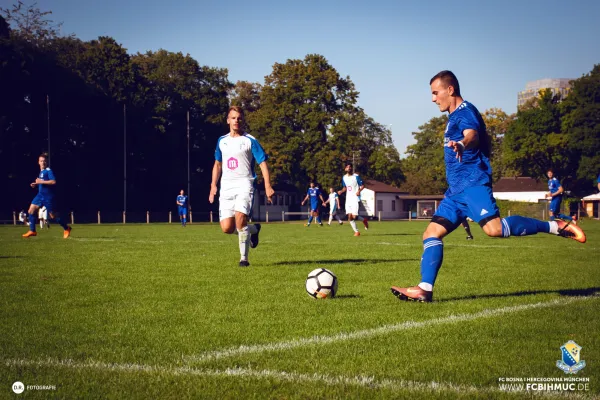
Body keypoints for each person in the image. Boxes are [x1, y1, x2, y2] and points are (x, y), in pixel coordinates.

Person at [391, 70, 586, 303]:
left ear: (450, 90)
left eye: (435, 93)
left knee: (494, 230)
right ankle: (424, 288)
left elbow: (471, 134)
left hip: (473, 185)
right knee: (431, 233)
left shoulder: (465, 112)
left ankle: (556, 226)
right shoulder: (453, 117)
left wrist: (463, 144)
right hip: (455, 192)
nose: (433, 99)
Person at [209, 106, 274, 267]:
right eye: (233, 118)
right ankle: (254, 229)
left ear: (242, 120)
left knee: (240, 220)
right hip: (226, 187)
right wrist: (213, 186)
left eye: (239, 118)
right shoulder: (221, 141)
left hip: (245, 184)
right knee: (227, 228)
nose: (236, 120)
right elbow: (217, 164)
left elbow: (262, 163)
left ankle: (243, 259)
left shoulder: (250, 140)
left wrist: (268, 185)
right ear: (228, 120)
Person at [22, 153, 72, 238]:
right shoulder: (41, 172)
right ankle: (32, 230)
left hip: (48, 197)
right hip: (40, 196)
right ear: (38, 162)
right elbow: (42, 183)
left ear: (47, 162)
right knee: (31, 210)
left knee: (53, 216)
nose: (43, 163)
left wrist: (40, 182)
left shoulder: (49, 171)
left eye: (44, 161)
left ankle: (66, 228)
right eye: (41, 161)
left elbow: (53, 181)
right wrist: (35, 184)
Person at [338, 162, 369, 236]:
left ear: (351, 168)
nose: (349, 168)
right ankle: (357, 232)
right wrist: (341, 191)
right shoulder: (344, 177)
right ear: (345, 169)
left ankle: (364, 220)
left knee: (354, 216)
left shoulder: (356, 176)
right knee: (349, 216)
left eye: (350, 167)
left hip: (355, 198)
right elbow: (345, 187)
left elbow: (362, 186)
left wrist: (359, 191)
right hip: (348, 199)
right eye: (347, 167)